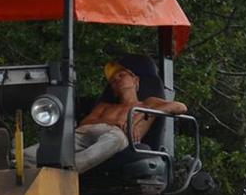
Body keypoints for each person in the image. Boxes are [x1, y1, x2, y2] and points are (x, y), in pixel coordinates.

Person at [24, 60, 187, 173]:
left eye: (121, 75)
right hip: (84, 135)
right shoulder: (105, 106)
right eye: (113, 81)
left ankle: (70, 170)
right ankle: (12, 160)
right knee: (29, 155)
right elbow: (86, 123)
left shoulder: (148, 104)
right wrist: (118, 121)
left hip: (114, 138)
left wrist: (146, 113)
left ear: (135, 80)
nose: (116, 80)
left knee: (118, 137)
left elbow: (180, 107)